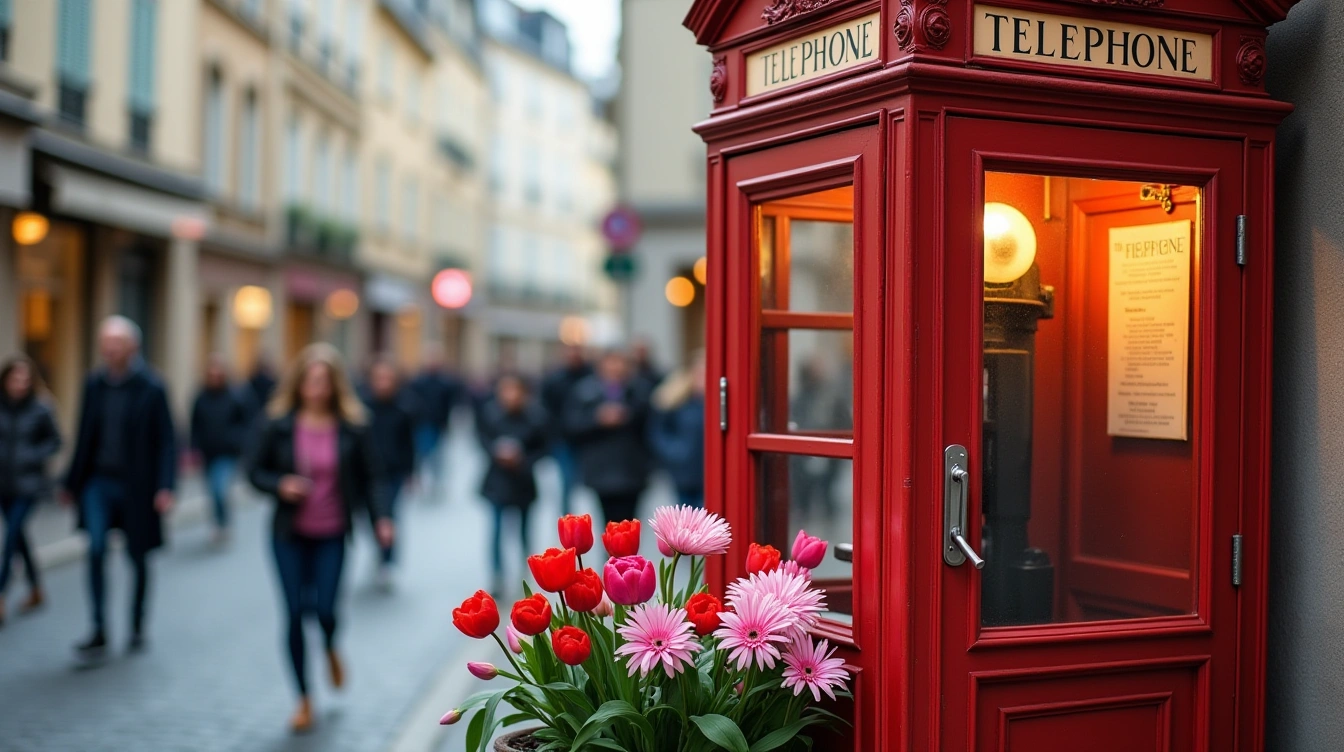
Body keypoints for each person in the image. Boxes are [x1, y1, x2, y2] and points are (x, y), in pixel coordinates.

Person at [245, 343, 394, 733]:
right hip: (288, 534)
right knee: (294, 612)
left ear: (334, 385)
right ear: (298, 383)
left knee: (325, 610)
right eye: (310, 380)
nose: (316, 387)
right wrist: (280, 484)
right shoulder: (278, 423)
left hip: (332, 533)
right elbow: (252, 471)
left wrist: (382, 519)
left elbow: (374, 476)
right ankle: (304, 698)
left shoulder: (353, 426)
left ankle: (329, 645)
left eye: (324, 381)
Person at [63, 316, 177, 657]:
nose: (108, 350)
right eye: (105, 343)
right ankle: (98, 626)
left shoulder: (153, 387)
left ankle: (137, 624)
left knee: (137, 555)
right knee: (95, 549)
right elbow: (84, 434)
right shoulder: (94, 384)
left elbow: (167, 441)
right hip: (98, 481)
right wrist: (71, 482)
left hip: (137, 485)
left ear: (133, 347)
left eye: (115, 344)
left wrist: (165, 486)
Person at [0, 356, 61, 626]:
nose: (20, 384)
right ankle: (36, 588)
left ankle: (1, 593)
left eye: (25, 379)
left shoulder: (41, 408)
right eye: (15, 378)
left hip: (29, 485)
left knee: (11, 537)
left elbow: (56, 441)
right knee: (19, 537)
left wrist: (32, 456)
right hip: (3, 483)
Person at [476, 373, 548, 596]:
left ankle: (525, 574)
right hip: (497, 482)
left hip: (523, 483)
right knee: (496, 530)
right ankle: (497, 575)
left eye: (515, 390)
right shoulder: (491, 414)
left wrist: (523, 458)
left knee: (524, 532)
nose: (511, 396)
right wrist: (496, 452)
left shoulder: (535, 417)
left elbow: (545, 447)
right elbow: (481, 439)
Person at [564, 349, 652, 525]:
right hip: (601, 469)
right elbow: (571, 426)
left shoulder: (638, 389)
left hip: (631, 469)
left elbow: (651, 424)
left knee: (630, 524)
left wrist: (629, 415)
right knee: (608, 523)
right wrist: (597, 419)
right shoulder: (585, 391)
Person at [362, 358, 416, 586]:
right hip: (367, 475)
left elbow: (408, 444)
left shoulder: (403, 409)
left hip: (393, 474)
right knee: (371, 518)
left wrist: (411, 472)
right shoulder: (362, 409)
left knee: (389, 518)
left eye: (388, 379)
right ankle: (379, 554)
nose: (383, 384)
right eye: (379, 378)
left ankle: (387, 561)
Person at [190, 355, 251, 542]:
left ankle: (223, 523)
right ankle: (218, 521)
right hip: (208, 452)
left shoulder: (235, 397)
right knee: (212, 491)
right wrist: (194, 446)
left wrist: (237, 441)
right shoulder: (201, 397)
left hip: (227, 453)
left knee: (219, 488)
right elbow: (195, 423)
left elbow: (247, 422)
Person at [647, 352, 706, 509]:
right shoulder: (676, 399)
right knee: (687, 516)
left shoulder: (718, 402)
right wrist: (675, 452)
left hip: (710, 472)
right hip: (684, 472)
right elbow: (658, 432)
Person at [540, 344, 591, 516]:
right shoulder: (555, 379)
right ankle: (568, 520)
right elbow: (545, 409)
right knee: (567, 481)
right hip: (563, 439)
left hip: (587, 438)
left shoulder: (590, 377)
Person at [408, 353, 463, 485]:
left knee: (437, 457)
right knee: (421, 455)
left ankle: (436, 482)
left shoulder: (445, 384)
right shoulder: (418, 383)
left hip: (437, 425)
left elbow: (449, 404)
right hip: (421, 425)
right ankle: (420, 480)